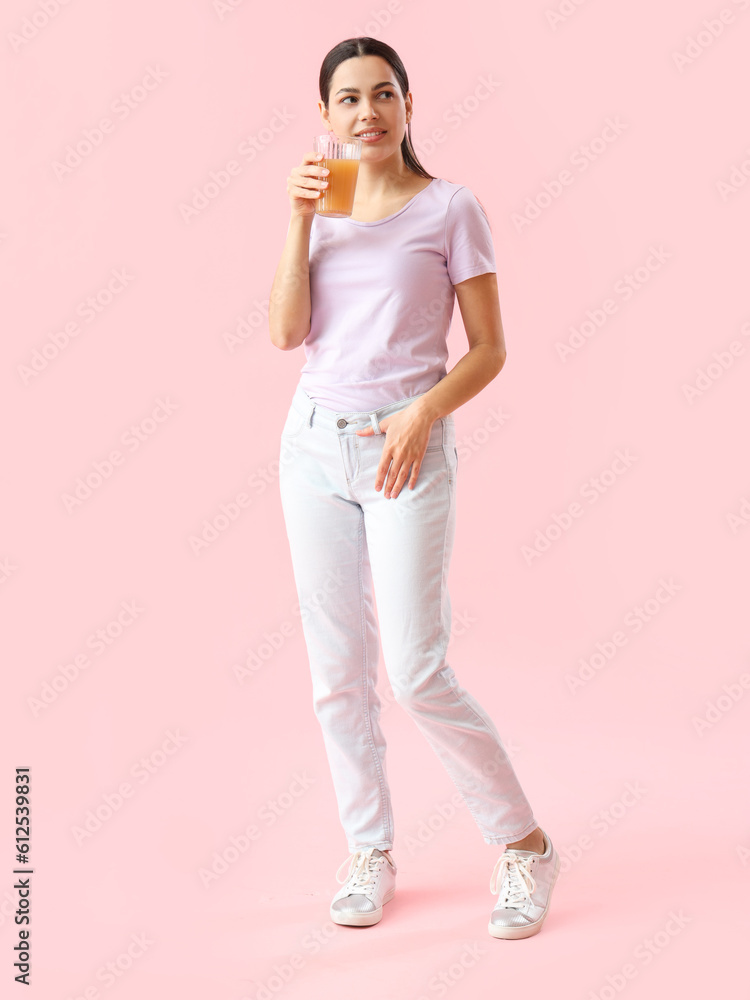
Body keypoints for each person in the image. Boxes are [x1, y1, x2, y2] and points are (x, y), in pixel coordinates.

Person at [269, 36, 560, 940]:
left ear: (407, 105)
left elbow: (490, 349)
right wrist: (294, 221)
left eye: (383, 94)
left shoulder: (450, 208)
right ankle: (370, 850)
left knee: (417, 667)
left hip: (405, 448)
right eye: (348, 99)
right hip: (313, 448)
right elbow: (287, 335)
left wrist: (422, 411)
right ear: (325, 116)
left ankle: (524, 845)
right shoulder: (323, 205)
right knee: (336, 675)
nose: (368, 112)